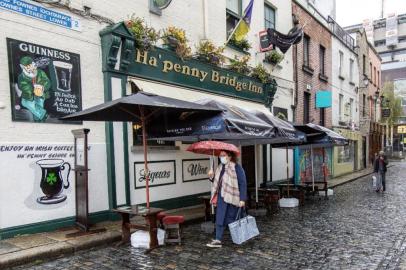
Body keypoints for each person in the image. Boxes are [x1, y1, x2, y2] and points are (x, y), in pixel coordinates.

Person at [206, 150, 247, 248]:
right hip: (222, 197)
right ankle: (218, 239)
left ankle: (238, 237)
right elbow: (217, 181)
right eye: (220, 156)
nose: (221, 157)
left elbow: (243, 183)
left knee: (233, 219)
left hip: (233, 197)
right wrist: (211, 176)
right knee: (220, 218)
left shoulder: (237, 167)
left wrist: (242, 199)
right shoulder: (220, 167)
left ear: (229, 156)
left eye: (223, 155)